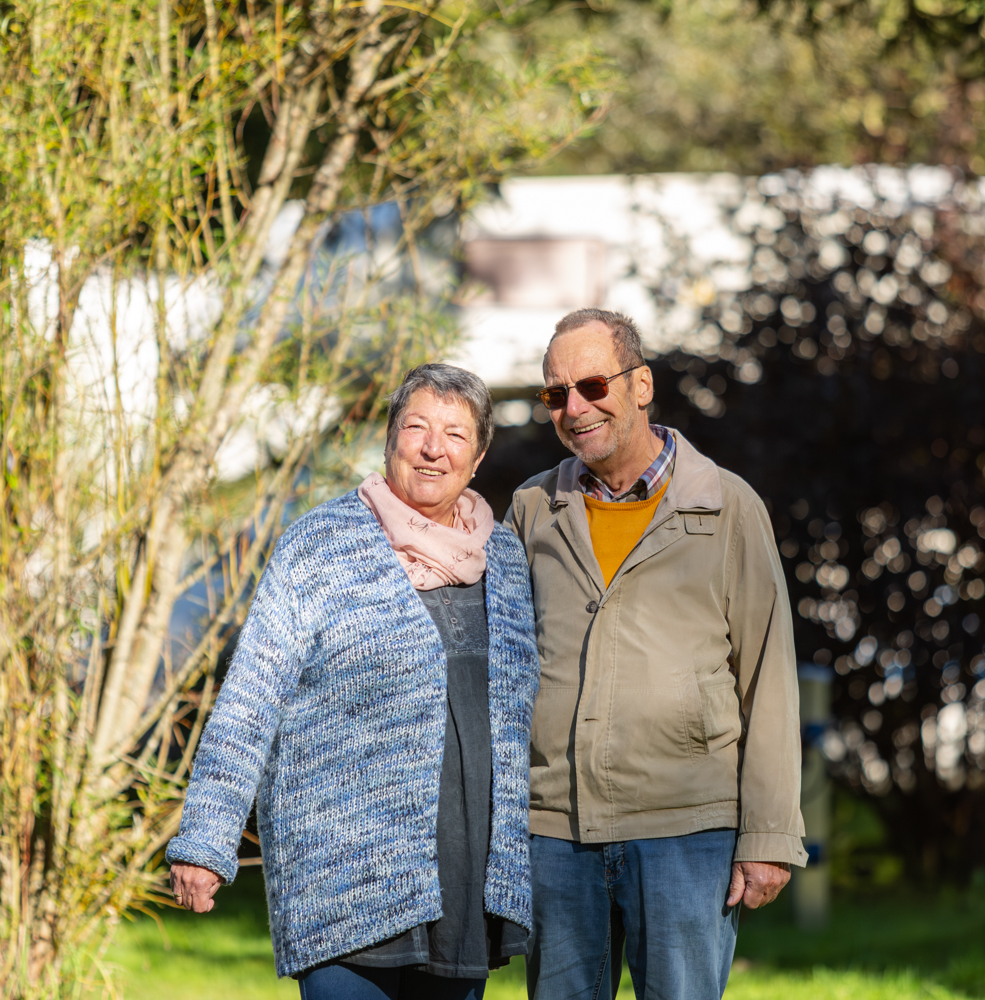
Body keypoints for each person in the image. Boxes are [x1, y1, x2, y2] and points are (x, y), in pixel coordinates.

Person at [167, 364, 539, 1000]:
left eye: (455, 434)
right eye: (417, 427)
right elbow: (251, 699)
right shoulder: (321, 545)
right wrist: (205, 838)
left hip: (464, 891)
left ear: (477, 457)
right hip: (342, 881)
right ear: (390, 439)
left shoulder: (503, 558)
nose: (433, 448)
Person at [506, 309, 807, 1000]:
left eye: (592, 386)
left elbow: (768, 675)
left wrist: (769, 836)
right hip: (556, 832)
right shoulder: (532, 509)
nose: (574, 408)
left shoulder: (727, 506)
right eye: (556, 394)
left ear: (641, 385)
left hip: (687, 832)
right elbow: (504, 667)